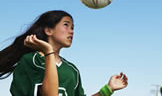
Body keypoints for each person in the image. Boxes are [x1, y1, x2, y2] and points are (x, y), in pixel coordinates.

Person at [0, 10, 128, 96]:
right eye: (66, 25)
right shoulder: (31, 60)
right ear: (49, 30)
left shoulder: (71, 70)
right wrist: (49, 52)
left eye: (73, 28)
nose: (71, 31)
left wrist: (108, 89)